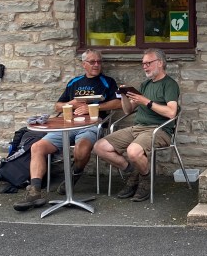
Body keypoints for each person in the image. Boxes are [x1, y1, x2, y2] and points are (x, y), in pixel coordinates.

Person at [13, 49, 122, 211]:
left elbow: (118, 103)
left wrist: (93, 107)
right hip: (67, 125)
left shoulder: (107, 81)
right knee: (37, 147)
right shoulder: (74, 82)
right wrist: (71, 104)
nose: (97, 65)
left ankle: (73, 175)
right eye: (92, 62)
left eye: (99, 62)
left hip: (91, 126)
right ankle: (34, 191)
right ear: (84, 64)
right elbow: (58, 106)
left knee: (81, 149)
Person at [92, 48, 179, 202]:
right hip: (138, 128)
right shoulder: (145, 85)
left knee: (133, 152)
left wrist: (146, 101)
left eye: (148, 63)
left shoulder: (170, 84)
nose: (145, 67)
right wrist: (124, 96)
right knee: (100, 147)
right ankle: (134, 172)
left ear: (160, 63)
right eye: (143, 64)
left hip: (159, 130)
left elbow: (171, 113)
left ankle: (145, 179)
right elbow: (128, 110)